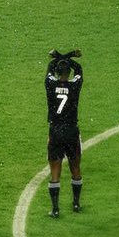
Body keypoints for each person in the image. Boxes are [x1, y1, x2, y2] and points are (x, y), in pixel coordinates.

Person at [43, 49, 85, 218]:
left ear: (57, 72)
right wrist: (69, 57)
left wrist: (58, 57)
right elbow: (79, 70)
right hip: (71, 131)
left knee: (55, 171)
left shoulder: (50, 85)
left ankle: (55, 209)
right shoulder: (74, 86)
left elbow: (49, 68)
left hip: (55, 131)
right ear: (68, 73)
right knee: (75, 167)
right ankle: (76, 203)